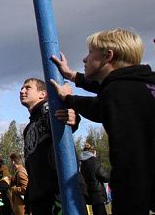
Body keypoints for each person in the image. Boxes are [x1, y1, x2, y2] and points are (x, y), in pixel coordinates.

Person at [50, 28, 155, 215]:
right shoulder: (142, 85)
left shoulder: (119, 93)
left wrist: (69, 99)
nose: (84, 59)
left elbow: (130, 161)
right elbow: (107, 99)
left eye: (90, 53)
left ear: (108, 56)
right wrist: (73, 76)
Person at [19, 77, 78, 214]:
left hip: (57, 194)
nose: (22, 91)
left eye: (28, 87)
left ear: (42, 94)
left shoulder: (47, 109)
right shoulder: (28, 128)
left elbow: (65, 118)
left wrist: (71, 113)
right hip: (39, 199)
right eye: (22, 88)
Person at [78, 144, 109, 215]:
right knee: (101, 211)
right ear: (92, 152)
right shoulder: (93, 161)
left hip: (89, 192)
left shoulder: (81, 163)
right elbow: (104, 176)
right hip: (98, 193)